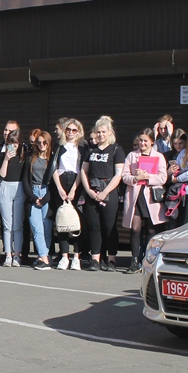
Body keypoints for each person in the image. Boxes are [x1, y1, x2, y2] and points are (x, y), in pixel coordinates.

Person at [80, 116, 125, 271]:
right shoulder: (90, 151)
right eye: (98, 132)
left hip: (109, 191)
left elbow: (118, 175)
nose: (100, 135)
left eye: (103, 132)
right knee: (94, 226)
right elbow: (83, 171)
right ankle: (95, 259)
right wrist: (89, 191)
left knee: (109, 226)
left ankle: (111, 259)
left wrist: (105, 192)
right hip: (92, 191)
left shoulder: (116, 150)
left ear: (109, 132)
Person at [122, 128, 168, 274]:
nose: (142, 143)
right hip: (136, 195)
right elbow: (124, 176)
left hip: (150, 197)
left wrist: (147, 177)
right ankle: (135, 260)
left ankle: (148, 260)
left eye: (145, 141)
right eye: (140, 140)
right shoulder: (131, 156)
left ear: (152, 142)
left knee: (150, 229)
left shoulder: (159, 156)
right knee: (135, 228)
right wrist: (135, 178)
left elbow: (162, 177)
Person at [52, 118, 84, 270]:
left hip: (76, 182)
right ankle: (64, 255)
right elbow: (54, 168)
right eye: (68, 130)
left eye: (74, 130)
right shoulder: (59, 146)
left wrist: (73, 190)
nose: (71, 133)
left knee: (76, 221)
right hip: (61, 181)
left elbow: (82, 170)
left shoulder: (82, 147)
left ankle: (77, 256)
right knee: (62, 220)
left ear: (79, 131)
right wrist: (59, 188)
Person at [23, 128, 56, 271]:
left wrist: (45, 198)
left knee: (47, 229)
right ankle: (43, 257)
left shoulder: (53, 160)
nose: (42, 145)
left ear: (49, 144)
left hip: (46, 193)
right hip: (34, 192)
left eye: (45, 142)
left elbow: (54, 183)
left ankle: (44, 257)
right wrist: (33, 197)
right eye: (39, 142)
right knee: (36, 228)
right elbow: (25, 181)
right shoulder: (31, 159)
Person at [0, 127, 26, 268]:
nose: (13, 146)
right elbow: (1, 175)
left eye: (15, 143)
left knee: (17, 225)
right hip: (5, 187)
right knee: (7, 225)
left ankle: (17, 255)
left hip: (19, 188)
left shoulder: (23, 156)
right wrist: (6, 159)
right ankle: (8, 254)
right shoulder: (2, 156)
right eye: (10, 143)